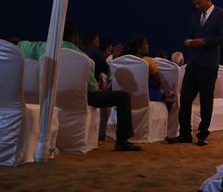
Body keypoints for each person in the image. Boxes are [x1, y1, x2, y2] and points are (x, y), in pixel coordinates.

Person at [18, 20, 140, 151]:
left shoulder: (44, 48)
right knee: (123, 97)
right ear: (74, 36)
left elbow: (20, 45)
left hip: (48, 96)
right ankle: (122, 141)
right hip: (79, 98)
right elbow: (92, 88)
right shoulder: (84, 58)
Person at [168, 0, 223, 147]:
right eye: (195, 4)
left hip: (209, 64)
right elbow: (189, 34)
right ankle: (184, 134)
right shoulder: (195, 15)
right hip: (193, 62)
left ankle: (203, 134)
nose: (196, 6)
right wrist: (188, 41)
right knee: (185, 99)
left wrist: (205, 42)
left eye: (198, 3)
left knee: (206, 100)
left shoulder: (221, 15)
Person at [127, 35, 175, 105]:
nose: (148, 45)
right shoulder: (148, 61)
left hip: (127, 97)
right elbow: (159, 81)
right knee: (170, 97)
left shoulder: (124, 61)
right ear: (139, 49)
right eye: (146, 43)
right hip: (144, 97)